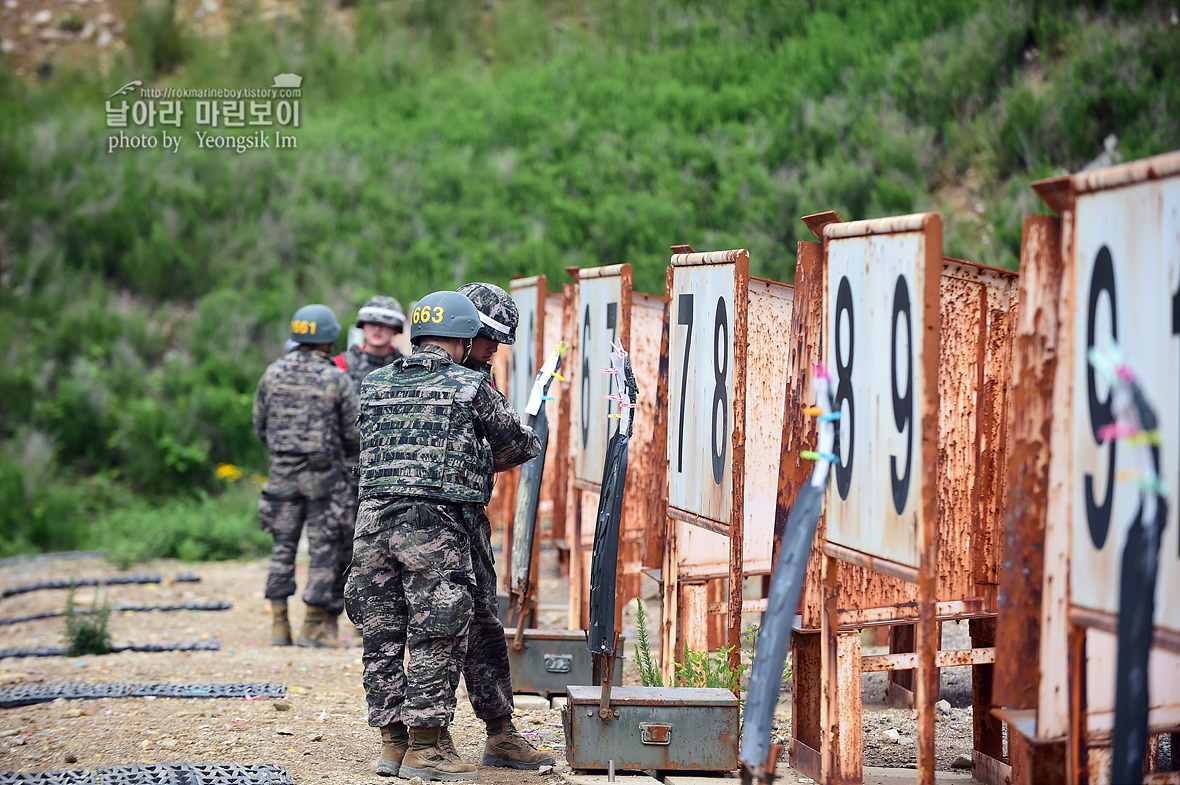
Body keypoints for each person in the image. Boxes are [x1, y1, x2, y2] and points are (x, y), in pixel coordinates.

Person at [345, 291, 541, 782]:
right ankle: (428, 746)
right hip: (439, 521)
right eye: (484, 340)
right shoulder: (468, 386)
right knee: (439, 627)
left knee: (383, 631)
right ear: (461, 337)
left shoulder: (373, 382)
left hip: (373, 523)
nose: (491, 349)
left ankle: (394, 745)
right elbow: (520, 444)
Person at [455, 281, 556, 771]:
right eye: (487, 336)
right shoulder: (420, 376)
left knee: (483, 624)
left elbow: (515, 443)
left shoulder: (480, 378)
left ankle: (500, 733)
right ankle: (418, 738)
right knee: (424, 626)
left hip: (468, 518)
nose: (494, 347)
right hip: (419, 522)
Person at [252, 304, 358, 649]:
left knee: (282, 549)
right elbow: (353, 433)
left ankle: (279, 625)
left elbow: (260, 426)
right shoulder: (336, 378)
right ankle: (312, 627)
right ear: (329, 339)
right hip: (324, 480)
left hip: (281, 478)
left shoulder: (272, 374)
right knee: (323, 550)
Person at [334, 295, 407, 386]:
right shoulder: (342, 364)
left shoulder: (407, 366)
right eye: (372, 323)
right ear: (362, 325)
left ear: (396, 329)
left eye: (384, 324)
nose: (377, 329)